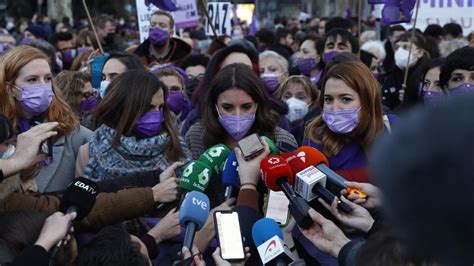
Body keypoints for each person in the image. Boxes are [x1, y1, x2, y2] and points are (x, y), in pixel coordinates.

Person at [185, 63, 298, 208]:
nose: (237, 115)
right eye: (227, 107)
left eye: (246, 107)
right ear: (215, 106)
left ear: (258, 105)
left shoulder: (280, 139)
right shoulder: (197, 135)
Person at [0, 46, 92, 192]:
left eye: (48, 78)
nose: (43, 86)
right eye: (32, 80)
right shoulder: (2, 136)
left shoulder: (75, 135)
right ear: (10, 89)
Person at [76, 69, 192, 180]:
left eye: (161, 107)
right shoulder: (91, 151)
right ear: (124, 108)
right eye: (149, 107)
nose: (157, 115)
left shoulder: (176, 148)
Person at [304, 61, 389, 184]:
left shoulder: (392, 132)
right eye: (328, 99)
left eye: (346, 99)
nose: (335, 107)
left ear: (368, 101)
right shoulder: (315, 138)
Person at [380, 32, 429, 110]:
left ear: (420, 52)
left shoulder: (426, 76)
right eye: (397, 48)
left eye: (406, 47)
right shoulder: (389, 76)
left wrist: (409, 101)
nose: (399, 51)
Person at [275, 75, 319, 145]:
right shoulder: (273, 129)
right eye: (287, 96)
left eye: (300, 97)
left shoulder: (315, 134)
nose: (292, 101)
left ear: (312, 104)